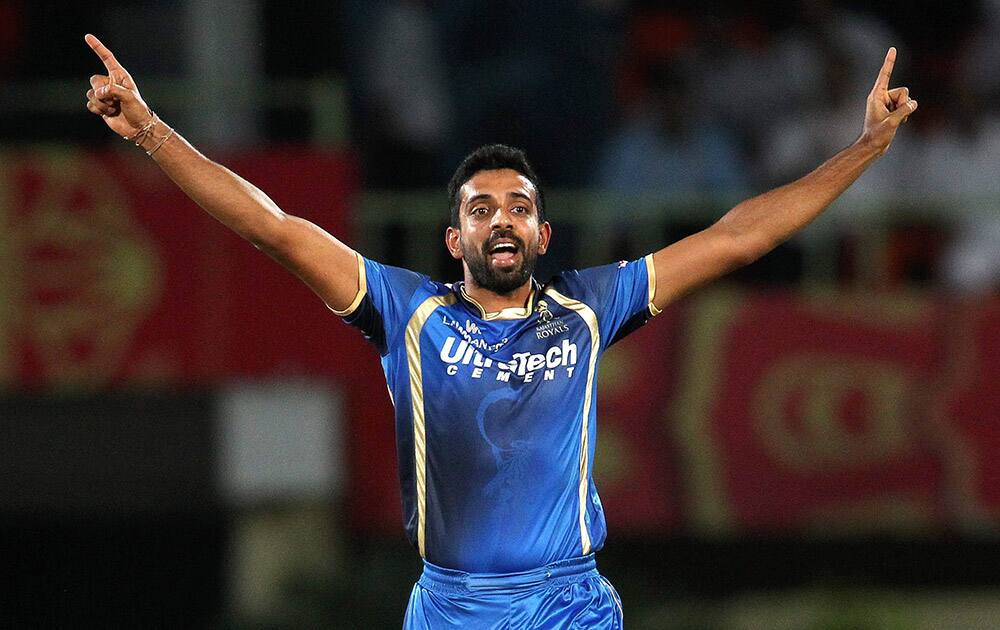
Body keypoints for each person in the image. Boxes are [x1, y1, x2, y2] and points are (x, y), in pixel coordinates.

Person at [83, 33, 916, 629]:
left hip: (570, 601)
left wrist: (866, 148)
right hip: (450, 605)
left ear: (544, 235)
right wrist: (153, 132)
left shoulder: (593, 306)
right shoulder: (407, 313)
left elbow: (741, 237)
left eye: (521, 206)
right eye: (482, 209)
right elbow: (276, 228)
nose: (504, 219)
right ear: (456, 240)